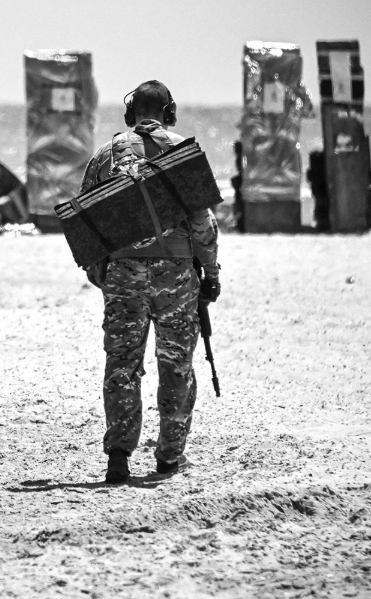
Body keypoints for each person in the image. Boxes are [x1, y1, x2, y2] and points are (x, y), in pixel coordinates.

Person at [79, 80, 221, 483]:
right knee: (176, 364)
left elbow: (86, 222)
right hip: (176, 273)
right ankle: (169, 456)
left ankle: (119, 457)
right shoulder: (183, 151)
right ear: (169, 111)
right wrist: (210, 272)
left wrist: (102, 273)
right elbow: (202, 223)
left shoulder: (107, 154)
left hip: (124, 273)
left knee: (122, 364)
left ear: (131, 113)